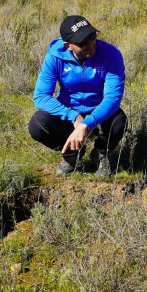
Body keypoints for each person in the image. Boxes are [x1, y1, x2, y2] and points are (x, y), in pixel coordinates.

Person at [28, 15, 127, 177]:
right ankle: (71, 153)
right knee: (37, 126)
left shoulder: (110, 54)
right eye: (82, 42)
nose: (90, 43)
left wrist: (87, 123)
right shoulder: (55, 57)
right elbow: (40, 96)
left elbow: (112, 98)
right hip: (69, 111)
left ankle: (101, 153)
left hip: (99, 111)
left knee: (119, 122)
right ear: (68, 45)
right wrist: (74, 117)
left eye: (92, 36)